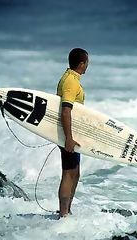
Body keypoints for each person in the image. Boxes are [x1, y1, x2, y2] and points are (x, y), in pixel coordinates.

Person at [57, 48, 89, 218]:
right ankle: (63, 215)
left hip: (72, 134)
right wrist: (68, 138)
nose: (87, 66)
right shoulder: (71, 81)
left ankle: (67, 210)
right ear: (81, 63)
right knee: (68, 173)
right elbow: (66, 111)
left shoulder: (71, 78)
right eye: (86, 63)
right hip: (67, 135)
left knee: (75, 172)